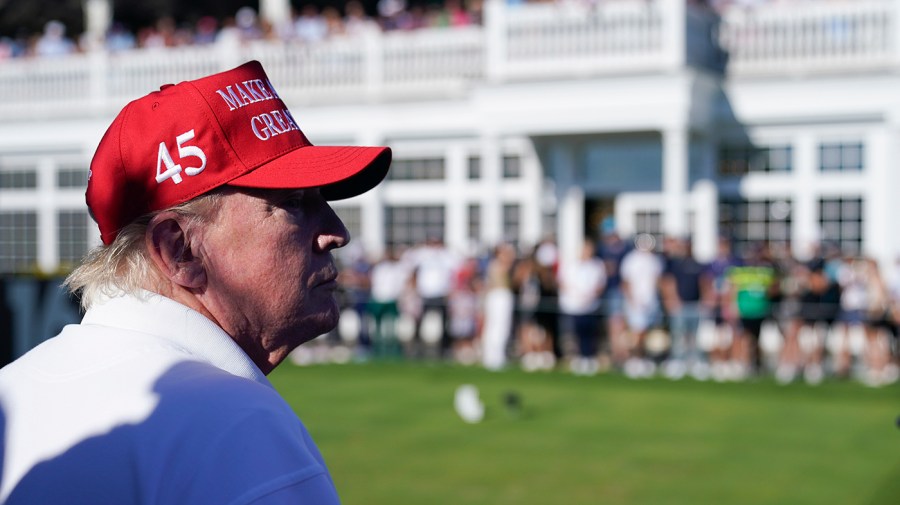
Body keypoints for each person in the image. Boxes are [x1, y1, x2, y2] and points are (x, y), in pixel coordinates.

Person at [0, 60, 391, 504]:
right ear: (179, 249)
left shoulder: (11, 391)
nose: (337, 232)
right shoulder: (234, 423)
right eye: (295, 203)